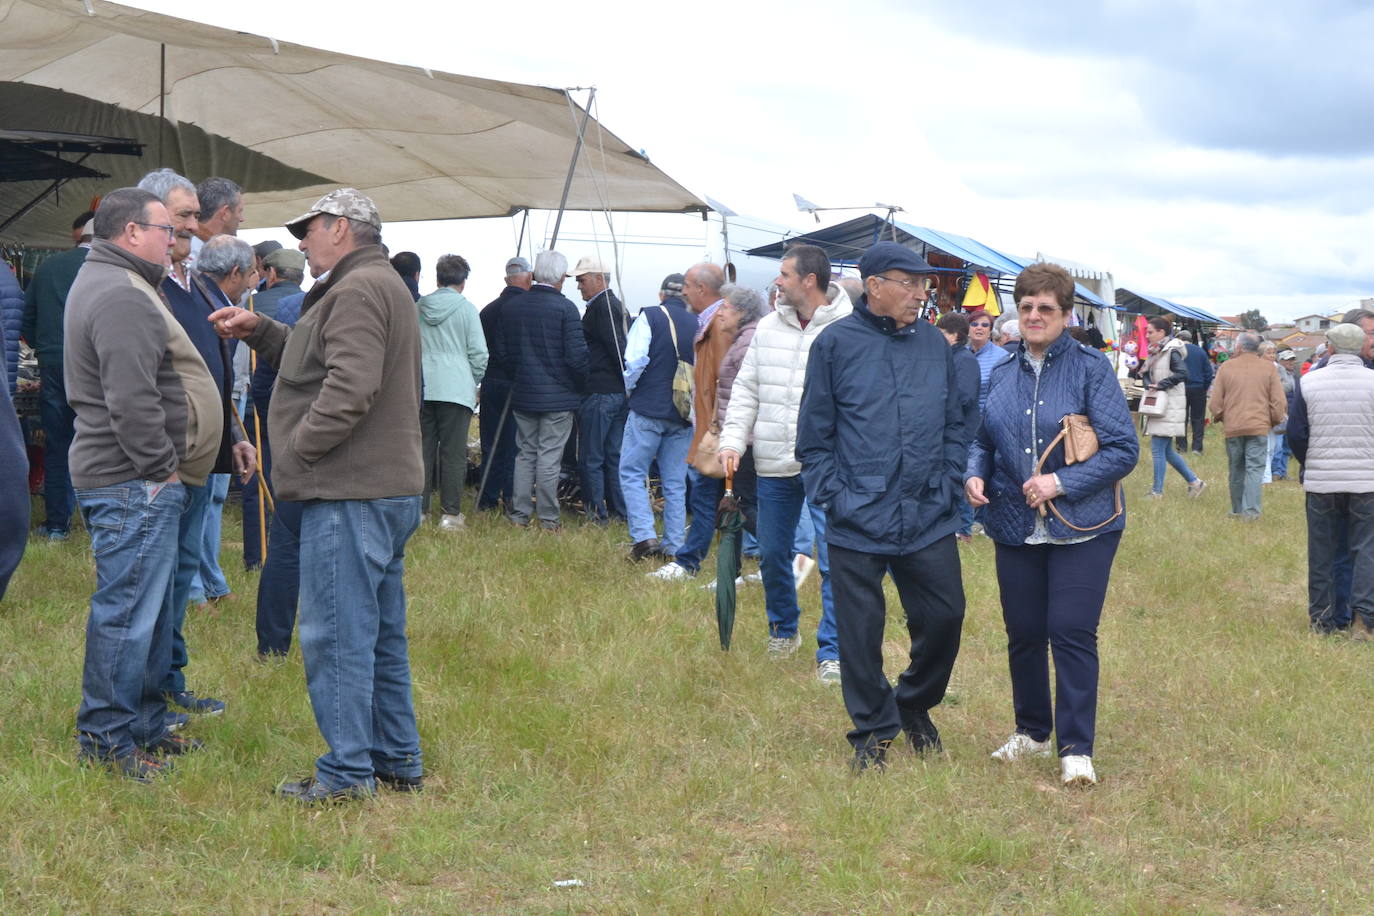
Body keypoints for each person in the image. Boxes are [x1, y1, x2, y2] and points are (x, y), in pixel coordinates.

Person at [210, 187, 427, 803]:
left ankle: (347, 775)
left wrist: (298, 450)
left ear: (342, 227)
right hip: (378, 487)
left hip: (350, 489)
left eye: (309, 229)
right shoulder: (369, 285)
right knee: (379, 632)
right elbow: (322, 358)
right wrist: (263, 331)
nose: (300, 241)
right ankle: (394, 758)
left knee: (335, 636)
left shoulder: (357, 289)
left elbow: (350, 386)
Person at [66, 188, 222, 780]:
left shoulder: (123, 283)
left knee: (149, 612)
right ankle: (106, 742)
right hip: (133, 479)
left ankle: (146, 726)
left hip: (139, 478)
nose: (175, 240)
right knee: (128, 612)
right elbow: (130, 400)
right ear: (132, 232)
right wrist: (160, 470)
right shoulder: (120, 292)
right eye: (166, 229)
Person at [965, 262, 1138, 788]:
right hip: (1014, 521)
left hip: (1083, 522)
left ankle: (1075, 747)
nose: (1034, 316)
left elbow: (1124, 449)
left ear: (1065, 315)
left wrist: (1058, 484)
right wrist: (973, 474)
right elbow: (981, 439)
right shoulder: (999, 370)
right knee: (1023, 632)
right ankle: (1032, 730)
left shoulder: (1090, 368)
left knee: (1070, 631)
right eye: (1026, 307)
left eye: (1046, 308)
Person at [799, 242, 968, 768]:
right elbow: (814, 435)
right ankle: (874, 729)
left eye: (924, 284)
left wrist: (948, 477)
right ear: (874, 286)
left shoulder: (935, 346)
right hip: (857, 514)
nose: (922, 293)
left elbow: (957, 421)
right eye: (910, 283)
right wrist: (835, 495)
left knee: (945, 615)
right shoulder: (834, 345)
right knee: (859, 632)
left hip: (926, 511)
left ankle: (913, 703)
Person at [136, 168, 247, 719]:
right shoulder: (144, 286)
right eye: (182, 216)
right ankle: (153, 689)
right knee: (159, 578)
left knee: (181, 572)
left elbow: (213, 369)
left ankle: (169, 679)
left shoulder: (194, 281)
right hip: (167, 461)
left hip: (201, 457)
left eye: (192, 216)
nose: (193, 226)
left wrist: (237, 435)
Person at [719, 243, 852, 679]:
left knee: (833, 560)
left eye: (785, 274)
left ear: (809, 281)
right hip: (774, 459)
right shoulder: (767, 328)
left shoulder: (849, 328)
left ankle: (831, 650)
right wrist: (733, 441)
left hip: (829, 466)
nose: (777, 281)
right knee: (775, 552)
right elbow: (746, 389)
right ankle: (783, 629)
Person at [651, 283, 764, 581]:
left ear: (741, 312)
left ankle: (782, 554)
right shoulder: (736, 335)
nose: (720, 312)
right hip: (725, 434)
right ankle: (723, 568)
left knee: (737, 504)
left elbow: (736, 392)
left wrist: (719, 429)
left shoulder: (739, 340)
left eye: (726, 307)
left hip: (731, 438)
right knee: (730, 504)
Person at [1287, 323, 1374, 638]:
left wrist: (1311, 462)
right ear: (1362, 347)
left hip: (1322, 481)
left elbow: (1295, 433)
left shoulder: (1309, 381)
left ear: (1331, 347)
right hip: (1367, 482)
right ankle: (1363, 621)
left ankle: (1322, 621)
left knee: (1321, 551)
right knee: (1365, 551)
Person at [495, 250, 588, 531]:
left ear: (534, 274)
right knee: (549, 457)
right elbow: (577, 357)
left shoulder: (512, 307)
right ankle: (548, 519)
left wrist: (520, 375)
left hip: (523, 392)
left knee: (524, 454)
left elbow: (501, 352)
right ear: (561, 277)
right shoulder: (566, 309)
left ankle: (519, 516)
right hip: (558, 397)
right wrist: (578, 385)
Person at [21, 211, 93, 539]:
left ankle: (56, 526)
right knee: (101, 444)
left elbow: (26, 319)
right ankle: (99, 523)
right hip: (97, 368)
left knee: (58, 444)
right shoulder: (114, 269)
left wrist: (46, 348)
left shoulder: (49, 268)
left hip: (53, 365)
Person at [619, 273, 698, 561]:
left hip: (649, 408)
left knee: (632, 472)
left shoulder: (650, 316)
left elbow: (636, 359)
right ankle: (674, 545)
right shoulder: (699, 323)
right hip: (682, 413)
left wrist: (630, 391)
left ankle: (644, 537)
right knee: (675, 482)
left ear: (661, 294)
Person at [417, 254, 487, 530]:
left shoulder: (419, 306)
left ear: (437, 277)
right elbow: (479, 354)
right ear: (463, 282)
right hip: (456, 389)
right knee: (454, 453)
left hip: (422, 386)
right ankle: (451, 514)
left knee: (421, 451)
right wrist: (472, 380)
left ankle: (419, 512)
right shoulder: (467, 309)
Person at [572, 255, 629, 524]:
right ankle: (619, 512)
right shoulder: (613, 304)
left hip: (601, 392)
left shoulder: (602, 307)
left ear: (598, 278)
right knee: (612, 456)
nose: (579, 286)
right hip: (618, 392)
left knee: (591, 457)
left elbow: (616, 348)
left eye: (582, 280)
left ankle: (596, 515)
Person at [1208, 332, 1286, 520]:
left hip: (1233, 427)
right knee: (1254, 469)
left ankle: (1236, 509)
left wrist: (1222, 417)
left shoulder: (1226, 367)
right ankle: (1251, 512)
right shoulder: (1268, 368)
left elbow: (1215, 402)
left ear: (1238, 347)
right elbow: (1279, 402)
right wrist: (1272, 421)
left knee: (1236, 469)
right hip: (1259, 426)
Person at [476, 256, 532, 512]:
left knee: (490, 442)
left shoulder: (488, 310)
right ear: (529, 278)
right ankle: (510, 497)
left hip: (491, 380)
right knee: (515, 443)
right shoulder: (527, 307)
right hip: (517, 381)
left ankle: (487, 496)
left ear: (506, 279)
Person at [1138, 317, 1204, 499]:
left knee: (1158, 449)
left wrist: (1160, 384)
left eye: (1150, 332)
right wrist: (1149, 383)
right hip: (1160, 404)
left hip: (1169, 405)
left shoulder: (1171, 351)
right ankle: (1195, 482)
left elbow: (1183, 373)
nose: (1147, 335)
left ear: (1161, 333)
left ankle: (1157, 492)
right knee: (1166, 451)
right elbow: (1146, 373)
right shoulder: (1155, 352)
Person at [937, 311, 981, 541]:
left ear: (954, 335)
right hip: (951, 429)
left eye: (942, 332)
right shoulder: (949, 357)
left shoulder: (964, 359)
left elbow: (964, 397)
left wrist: (938, 403)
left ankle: (964, 528)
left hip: (962, 430)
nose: (938, 336)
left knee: (962, 477)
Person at [1173, 329, 1214, 454]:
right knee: (1198, 419)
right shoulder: (1200, 351)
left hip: (1180, 388)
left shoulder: (1176, 351)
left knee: (1181, 418)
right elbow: (1209, 372)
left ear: (1179, 339)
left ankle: (1181, 447)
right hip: (1198, 388)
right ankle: (1197, 448)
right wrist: (1204, 387)